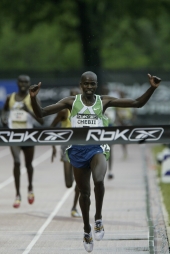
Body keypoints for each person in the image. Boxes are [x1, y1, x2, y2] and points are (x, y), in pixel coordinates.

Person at [29, 71, 161, 253]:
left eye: (92, 84)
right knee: (84, 194)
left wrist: (152, 88)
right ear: (81, 85)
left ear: (96, 85)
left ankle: (98, 218)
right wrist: (34, 98)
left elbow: (137, 103)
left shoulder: (103, 101)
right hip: (76, 150)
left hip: (97, 148)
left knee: (98, 180)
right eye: (86, 84)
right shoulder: (71, 102)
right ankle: (86, 229)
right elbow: (42, 113)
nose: (89, 87)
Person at [1, 75, 43, 208]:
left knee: (28, 164)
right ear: (17, 83)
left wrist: (28, 111)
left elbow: (41, 120)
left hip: (29, 135)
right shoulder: (10, 98)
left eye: (26, 82)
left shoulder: (33, 99)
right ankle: (18, 194)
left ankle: (30, 188)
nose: (23, 84)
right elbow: (4, 111)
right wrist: (3, 119)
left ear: (30, 83)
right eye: (21, 81)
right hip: (14, 136)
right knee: (17, 162)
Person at [51, 88, 81, 218]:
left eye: (77, 96)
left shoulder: (85, 111)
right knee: (69, 183)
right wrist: (52, 146)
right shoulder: (64, 112)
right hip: (66, 148)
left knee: (80, 181)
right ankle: (75, 177)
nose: (75, 99)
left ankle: (74, 207)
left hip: (81, 148)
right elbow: (51, 128)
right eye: (72, 96)